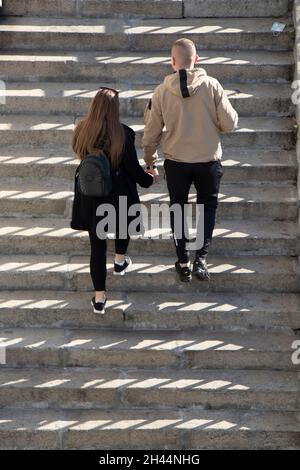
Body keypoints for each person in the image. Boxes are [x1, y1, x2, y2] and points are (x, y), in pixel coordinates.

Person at [142, 38, 238, 282]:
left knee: (178, 208)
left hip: (177, 161)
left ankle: (183, 260)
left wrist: (150, 161)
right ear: (197, 59)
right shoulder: (212, 85)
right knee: (208, 208)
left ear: (173, 62)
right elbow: (230, 124)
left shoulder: (161, 91)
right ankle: (201, 259)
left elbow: (151, 133)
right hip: (208, 160)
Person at [71, 88, 154, 314]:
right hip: (118, 194)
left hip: (91, 194)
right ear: (115, 108)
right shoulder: (124, 133)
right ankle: (119, 261)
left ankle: (99, 299)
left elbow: (79, 153)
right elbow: (134, 170)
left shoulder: (82, 129)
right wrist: (149, 179)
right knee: (123, 224)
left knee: (97, 247)